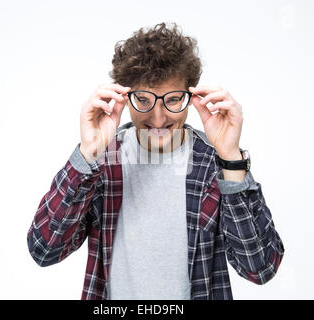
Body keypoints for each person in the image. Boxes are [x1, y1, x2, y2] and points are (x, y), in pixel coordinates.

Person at [27, 22, 285, 300]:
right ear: (125, 97)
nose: (159, 118)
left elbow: (260, 268)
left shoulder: (215, 162)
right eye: (144, 99)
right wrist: (87, 152)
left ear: (191, 97)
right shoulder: (101, 163)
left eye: (173, 100)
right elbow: (45, 250)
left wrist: (231, 159)